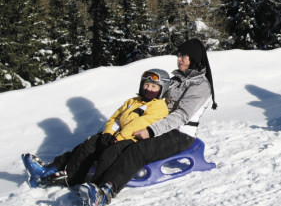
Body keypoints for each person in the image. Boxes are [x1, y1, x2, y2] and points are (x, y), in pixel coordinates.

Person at [77, 38, 215, 206]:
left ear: (194, 58)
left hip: (180, 134)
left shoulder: (200, 86)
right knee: (121, 143)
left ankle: (106, 192)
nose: (178, 59)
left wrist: (151, 131)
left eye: (183, 56)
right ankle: (92, 182)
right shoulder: (175, 80)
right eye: (178, 56)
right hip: (157, 125)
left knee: (138, 149)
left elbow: (182, 115)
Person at [22, 69, 171, 189]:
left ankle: (96, 186)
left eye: (153, 86)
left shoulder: (159, 107)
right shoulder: (132, 102)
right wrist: (108, 133)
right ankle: (56, 170)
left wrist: (118, 138)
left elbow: (138, 124)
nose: (148, 89)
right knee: (90, 144)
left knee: (108, 154)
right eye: (146, 85)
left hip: (133, 139)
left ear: (161, 89)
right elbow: (116, 118)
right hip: (115, 136)